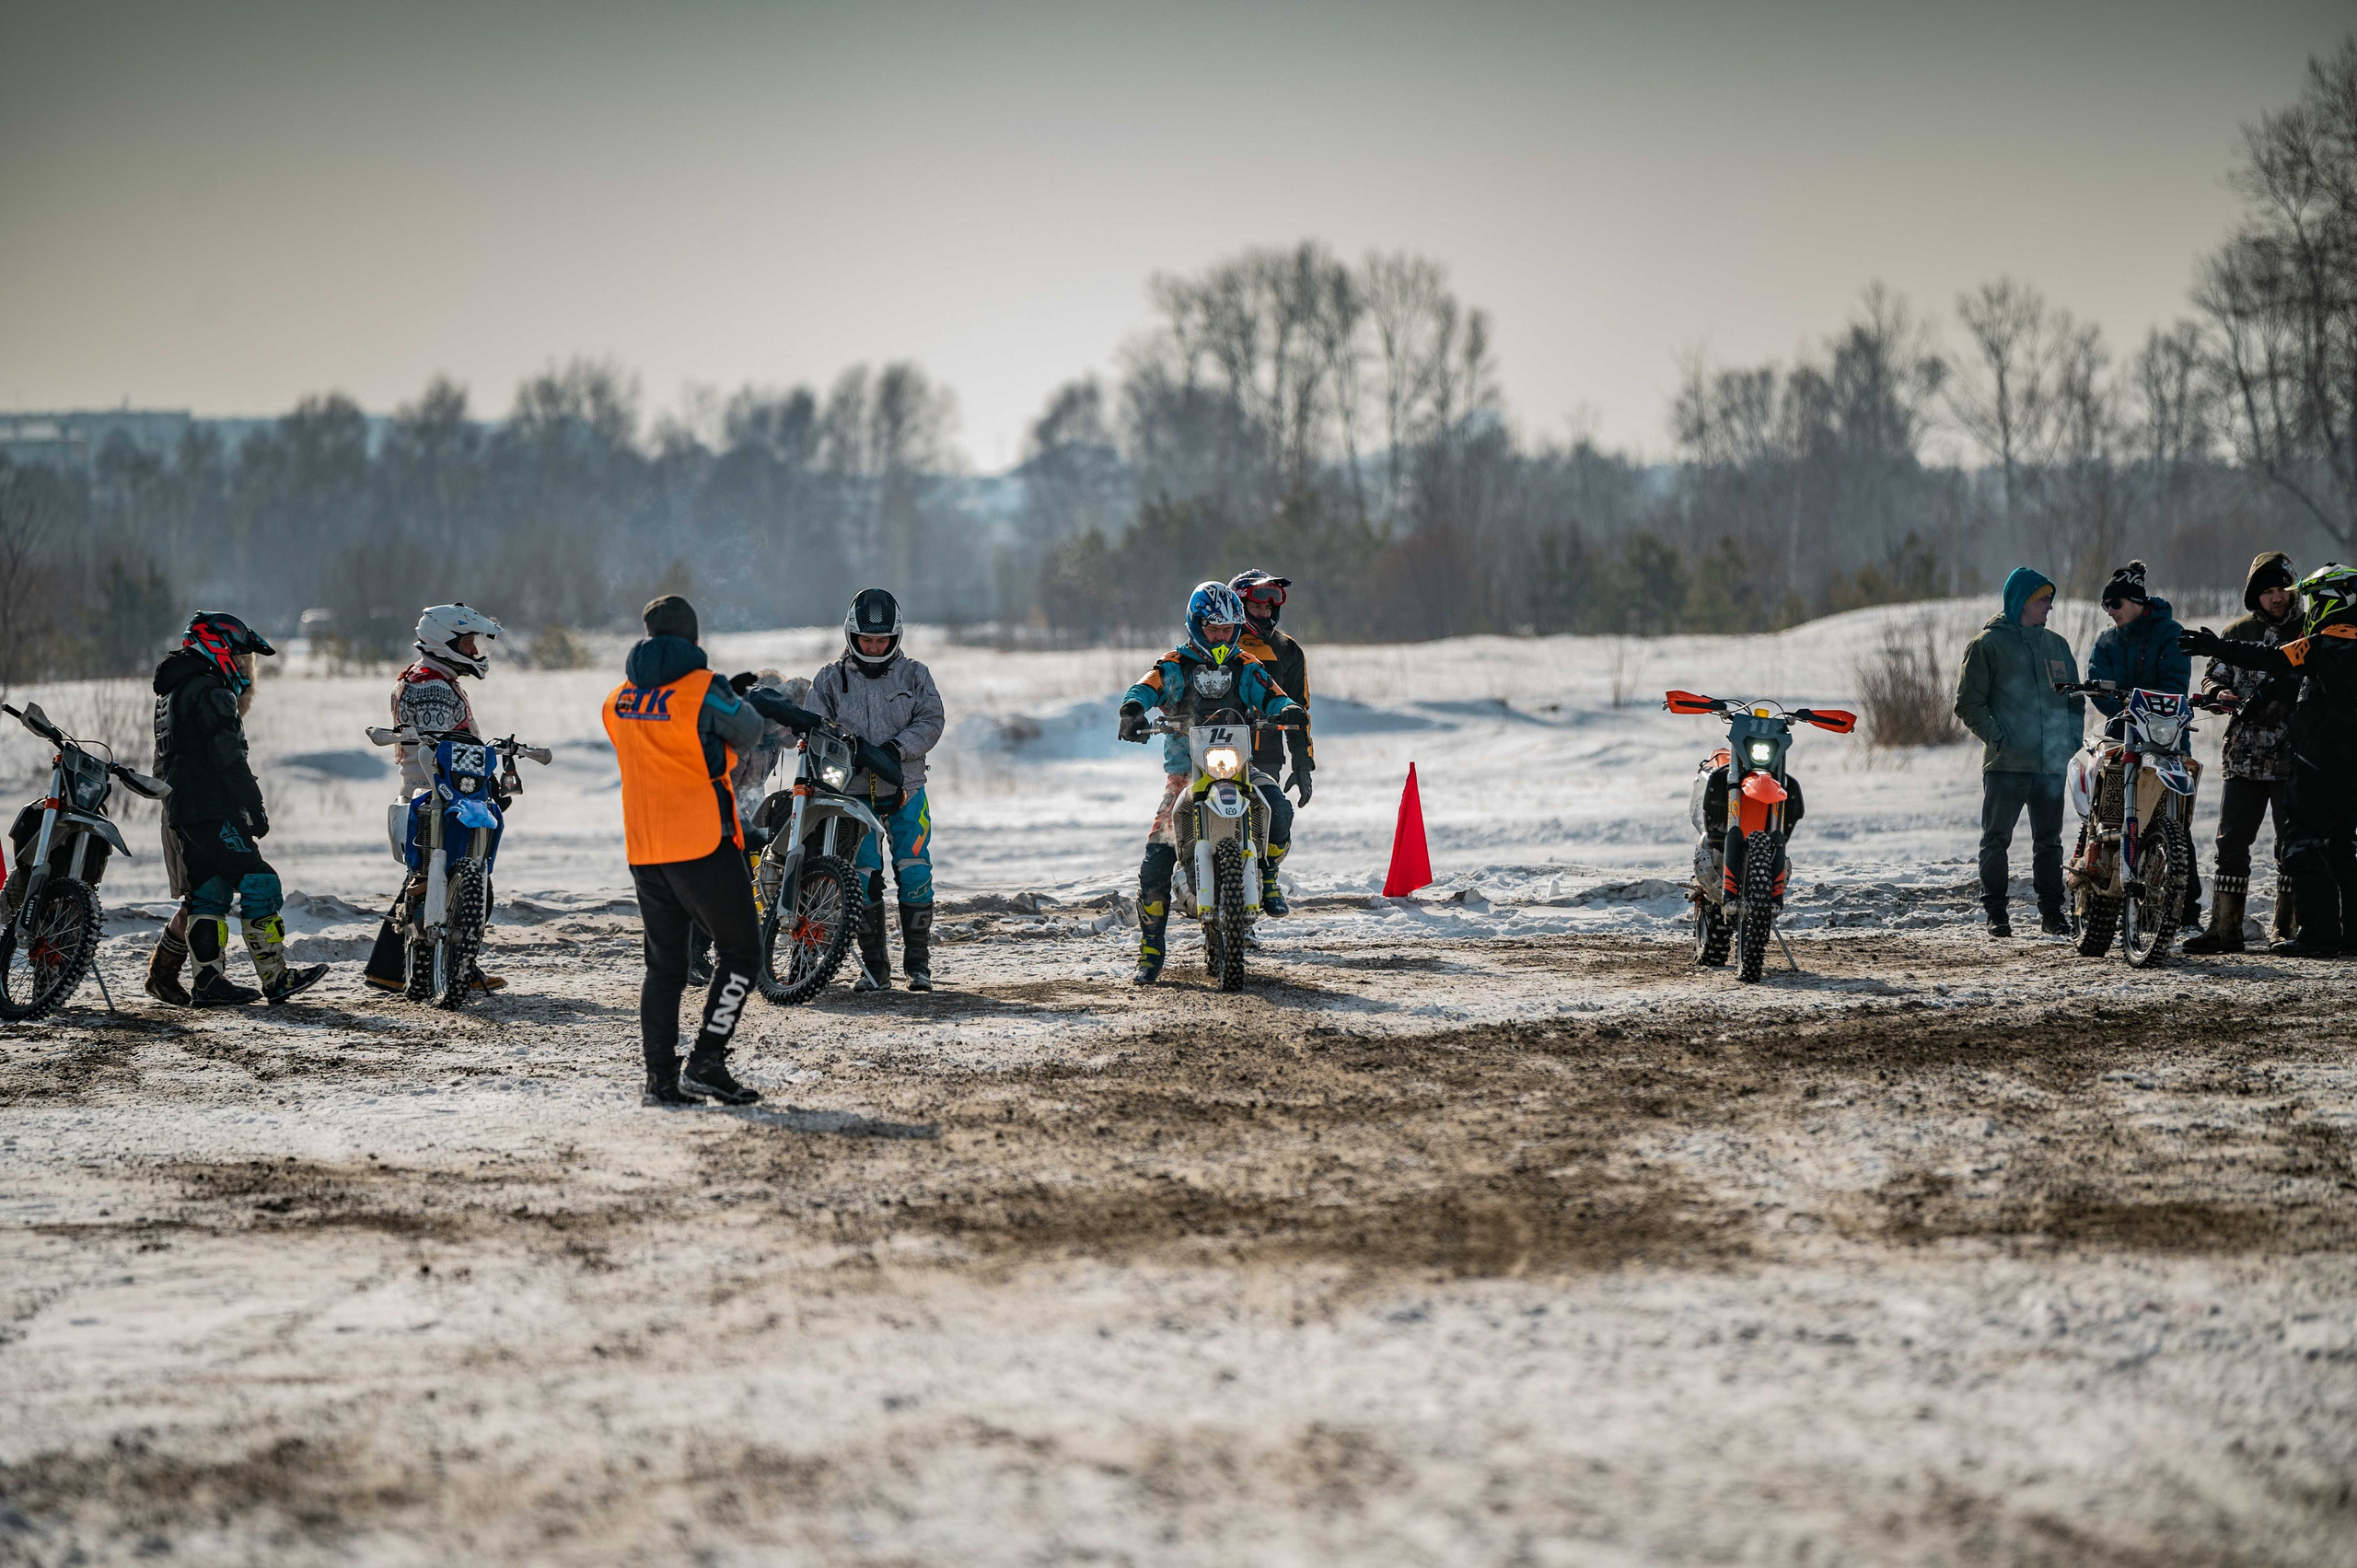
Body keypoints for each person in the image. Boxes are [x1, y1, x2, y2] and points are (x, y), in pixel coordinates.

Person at [605, 594, 819, 1107]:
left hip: (645, 848)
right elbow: (746, 732)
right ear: (694, 640)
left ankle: (660, 1078)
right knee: (742, 954)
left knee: (664, 968)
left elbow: (667, 746)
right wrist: (736, 701)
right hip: (704, 842)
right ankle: (706, 1060)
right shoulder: (705, 689)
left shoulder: (619, 699)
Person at [1117, 582, 1307, 985]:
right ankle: (1151, 949)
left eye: (1228, 629)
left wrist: (1285, 707)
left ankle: (1268, 874)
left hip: (1238, 768)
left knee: (1279, 810)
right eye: (1213, 629)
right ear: (1195, 625)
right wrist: (1133, 708)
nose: (1221, 637)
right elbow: (1147, 685)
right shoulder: (1175, 665)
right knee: (1156, 860)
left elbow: (1271, 693)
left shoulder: (1244, 665)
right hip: (1186, 773)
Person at [148, 613, 328, 1005]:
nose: (245, 663)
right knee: (260, 882)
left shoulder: (174, 688)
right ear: (218, 646)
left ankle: (209, 983)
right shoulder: (210, 690)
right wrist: (253, 805)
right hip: (210, 806)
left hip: (183, 805)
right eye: (240, 653)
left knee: (209, 892)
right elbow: (227, 756)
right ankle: (276, 978)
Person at [2182, 563, 2357, 958]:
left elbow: (2276, 659)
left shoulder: (2330, 640)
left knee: (2304, 844)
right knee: (2342, 846)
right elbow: (2287, 677)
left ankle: (2318, 933)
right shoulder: (2340, 639)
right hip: (2338, 761)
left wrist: (2217, 647)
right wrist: (2251, 702)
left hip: (2317, 758)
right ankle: (2348, 934)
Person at [363, 604, 509, 994]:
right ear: (444, 642)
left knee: (429, 879)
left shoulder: (431, 677)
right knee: (463, 879)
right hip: (436, 789)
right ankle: (454, 968)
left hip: (429, 787)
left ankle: (390, 969)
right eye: (467, 642)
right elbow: (441, 748)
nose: (475, 651)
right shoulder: (430, 685)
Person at [810, 588, 946, 992]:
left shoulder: (916, 675)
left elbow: (932, 720)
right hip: (852, 798)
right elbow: (815, 727)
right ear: (852, 636)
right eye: (867, 640)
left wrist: (894, 750)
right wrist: (839, 751)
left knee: (916, 872)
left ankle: (918, 966)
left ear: (895, 637)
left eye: (881, 640)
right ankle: (875, 969)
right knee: (863, 878)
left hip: (907, 790)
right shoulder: (830, 679)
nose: (874, 646)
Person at [1954, 567, 2084, 938]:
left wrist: (2070, 742)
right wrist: (1999, 739)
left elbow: (2074, 701)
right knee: (1995, 839)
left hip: (2051, 765)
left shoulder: (2057, 645)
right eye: (2044, 600)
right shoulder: (1987, 646)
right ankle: (1997, 913)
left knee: (2050, 842)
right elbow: (1968, 704)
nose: (2050, 607)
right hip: (2006, 764)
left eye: (2050, 600)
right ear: (2023, 602)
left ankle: (2052, 914)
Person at [2184, 552, 2300, 954]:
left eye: (2283, 588)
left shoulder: (2308, 629)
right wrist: (2217, 695)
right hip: (2245, 755)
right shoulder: (2237, 631)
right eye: (2268, 591)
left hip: (2293, 756)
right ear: (2255, 595)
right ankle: (2225, 928)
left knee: (2293, 845)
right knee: (2231, 844)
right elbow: (2213, 675)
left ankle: (2290, 928)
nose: (2277, 597)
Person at [2084, 561, 2200, 927]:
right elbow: (2095, 683)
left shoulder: (2170, 633)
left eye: (2114, 605)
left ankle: (2186, 908)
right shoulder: (2106, 641)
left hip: (2166, 740)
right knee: (2111, 814)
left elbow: (2176, 682)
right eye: (2105, 607)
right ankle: (2104, 890)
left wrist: (2144, 704)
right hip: (2122, 736)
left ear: (2134, 601)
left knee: (2173, 822)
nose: (2110, 612)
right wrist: (2119, 705)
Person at [1229, 568, 1313, 916]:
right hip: (1212, 751)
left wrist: (1303, 764)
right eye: (1257, 605)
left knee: (1271, 818)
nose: (1265, 612)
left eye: (1271, 605)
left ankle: (1269, 877)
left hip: (1265, 754)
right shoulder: (1219, 643)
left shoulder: (1288, 650)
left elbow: (1300, 709)